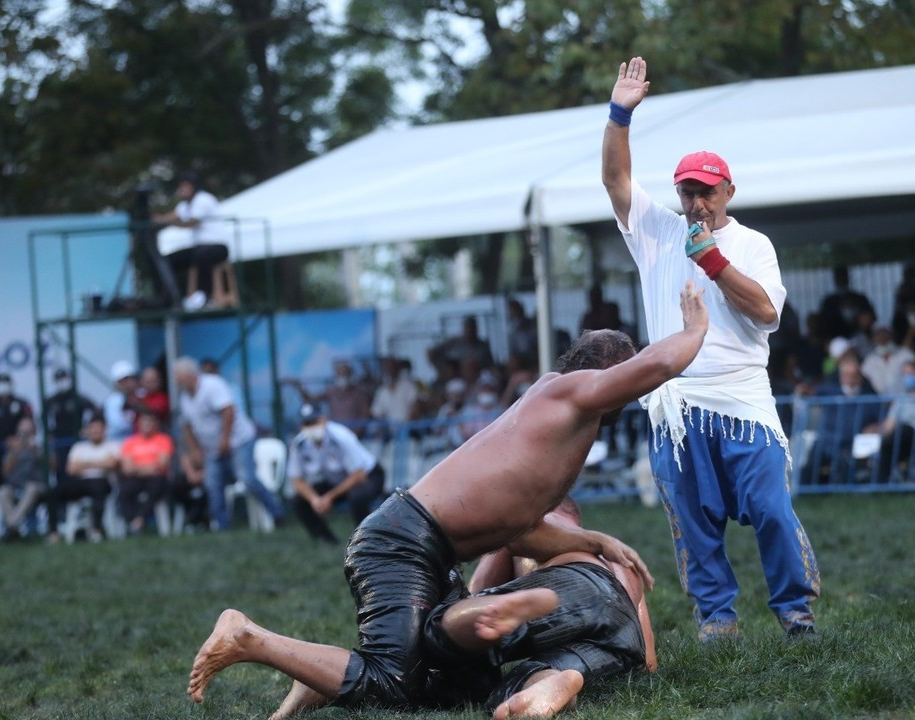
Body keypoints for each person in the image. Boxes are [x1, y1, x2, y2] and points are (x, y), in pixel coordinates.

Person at [186, 282, 706, 714]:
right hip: (400, 541)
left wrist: (594, 538)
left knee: (464, 682)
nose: (631, 386)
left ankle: (321, 676)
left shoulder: (566, 426)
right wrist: (696, 329)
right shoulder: (565, 392)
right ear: (602, 373)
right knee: (392, 684)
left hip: (427, 546)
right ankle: (250, 637)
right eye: (624, 370)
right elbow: (655, 368)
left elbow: (518, 527)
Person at [598, 57, 819, 638]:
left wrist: (714, 263)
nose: (696, 202)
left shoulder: (753, 245)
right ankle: (717, 616)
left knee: (771, 508)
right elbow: (617, 182)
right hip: (677, 404)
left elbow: (768, 312)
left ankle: (795, 608)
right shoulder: (658, 233)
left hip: (743, 398)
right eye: (687, 191)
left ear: (729, 190)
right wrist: (620, 114)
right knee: (693, 520)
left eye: (706, 191)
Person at [420, 497, 656, 718]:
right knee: (519, 682)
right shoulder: (619, 554)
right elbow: (649, 663)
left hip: (575, 583)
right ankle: (549, 680)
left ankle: (462, 627)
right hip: (624, 633)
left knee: (441, 632)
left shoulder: (533, 528)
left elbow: (478, 592)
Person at [175, 357, 285, 531]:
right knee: (212, 484)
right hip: (213, 448)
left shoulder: (212, 385)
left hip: (238, 440)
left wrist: (225, 439)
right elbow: (187, 427)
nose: (176, 380)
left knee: (247, 478)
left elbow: (228, 411)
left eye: (178, 376)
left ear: (190, 374)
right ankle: (222, 526)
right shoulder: (185, 398)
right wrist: (195, 450)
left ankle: (277, 514)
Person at [287, 403, 384, 544]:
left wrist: (329, 497)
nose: (311, 427)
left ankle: (367, 541)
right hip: (336, 480)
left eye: (314, 422)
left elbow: (359, 475)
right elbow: (296, 480)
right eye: (307, 423)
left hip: (368, 476)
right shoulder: (299, 444)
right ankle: (326, 541)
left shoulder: (341, 437)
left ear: (324, 420)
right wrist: (315, 499)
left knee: (357, 497)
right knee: (299, 501)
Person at [153, 171, 235, 310]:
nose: (182, 189)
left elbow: (191, 222)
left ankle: (204, 296)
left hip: (218, 247)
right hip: (199, 248)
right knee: (165, 261)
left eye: (185, 186)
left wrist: (166, 221)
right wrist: (157, 218)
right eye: (181, 186)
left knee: (202, 255)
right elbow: (173, 215)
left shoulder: (203, 199)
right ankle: (170, 297)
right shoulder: (185, 204)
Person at [804, 352, 883, 485]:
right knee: (809, 465)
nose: (850, 380)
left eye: (854, 375)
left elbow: (883, 417)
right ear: (840, 376)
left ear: (860, 376)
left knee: (844, 464)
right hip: (826, 440)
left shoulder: (870, 396)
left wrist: (876, 426)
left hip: (851, 443)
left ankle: (839, 493)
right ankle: (803, 492)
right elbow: (810, 394)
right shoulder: (829, 391)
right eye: (846, 375)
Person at [49, 417, 120, 544]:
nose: (95, 431)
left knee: (98, 487)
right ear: (86, 431)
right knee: (54, 492)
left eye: (98, 429)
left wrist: (84, 464)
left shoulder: (113, 445)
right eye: (92, 429)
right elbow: (71, 469)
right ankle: (53, 533)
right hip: (80, 482)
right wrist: (100, 462)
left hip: (102, 481)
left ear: (104, 430)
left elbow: (112, 464)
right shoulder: (79, 447)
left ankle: (96, 530)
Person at [876, 361, 915, 482]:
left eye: (910, 373)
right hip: (901, 440)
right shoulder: (901, 399)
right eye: (904, 374)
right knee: (887, 444)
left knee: (904, 430)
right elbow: (889, 424)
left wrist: (912, 431)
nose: (907, 377)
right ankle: (879, 485)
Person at [43, 368, 98, 495]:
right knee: (60, 473)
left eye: (64, 379)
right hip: (59, 443)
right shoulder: (51, 401)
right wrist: (48, 433)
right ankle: (62, 507)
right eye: (59, 380)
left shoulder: (79, 398)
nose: (62, 382)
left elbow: (95, 411)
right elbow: (43, 418)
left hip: (78, 441)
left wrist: (87, 429)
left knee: (79, 472)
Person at [118, 413, 173, 534]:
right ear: (138, 424)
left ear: (155, 424)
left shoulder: (163, 440)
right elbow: (127, 468)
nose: (147, 425)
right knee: (124, 492)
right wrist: (149, 468)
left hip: (156, 479)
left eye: (150, 422)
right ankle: (132, 521)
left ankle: (139, 520)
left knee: (155, 489)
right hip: (136, 478)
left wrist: (137, 468)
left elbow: (162, 466)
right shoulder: (130, 442)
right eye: (144, 422)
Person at [0, 373, 34, 490]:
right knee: (0, 478)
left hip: (20, 448)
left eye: (6, 384)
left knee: (22, 476)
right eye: (0, 384)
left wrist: (18, 439)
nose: (3, 387)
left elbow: (30, 425)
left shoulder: (22, 404)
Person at [0, 416, 46, 539]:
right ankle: (13, 526)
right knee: (2, 492)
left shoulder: (41, 443)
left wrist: (38, 451)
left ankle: (11, 525)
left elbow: (52, 466)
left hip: (37, 485)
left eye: (28, 430)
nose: (25, 434)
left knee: (31, 488)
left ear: (34, 430)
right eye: (22, 430)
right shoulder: (13, 446)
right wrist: (14, 452)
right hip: (15, 485)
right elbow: (5, 472)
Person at [818, 265, 876, 341]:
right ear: (835, 279)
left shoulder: (860, 298)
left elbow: (871, 318)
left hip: (860, 338)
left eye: (843, 276)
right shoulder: (829, 301)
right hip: (837, 339)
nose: (841, 279)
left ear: (848, 277)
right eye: (839, 276)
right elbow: (823, 322)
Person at [862, 325, 915, 397]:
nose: (882, 340)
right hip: (878, 403)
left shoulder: (906, 355)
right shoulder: (870, 360)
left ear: (892, 337)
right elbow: (863, 381)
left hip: (905, 401)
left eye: (886, 336)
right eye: (879, 337)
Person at [104, 360, 139, 443]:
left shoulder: (142, 394)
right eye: (123, 381)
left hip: (140, 442)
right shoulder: (112, 401)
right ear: (117, 383)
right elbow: (118, 424)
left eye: (130, 379)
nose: (127, 383)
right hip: (118, 442)